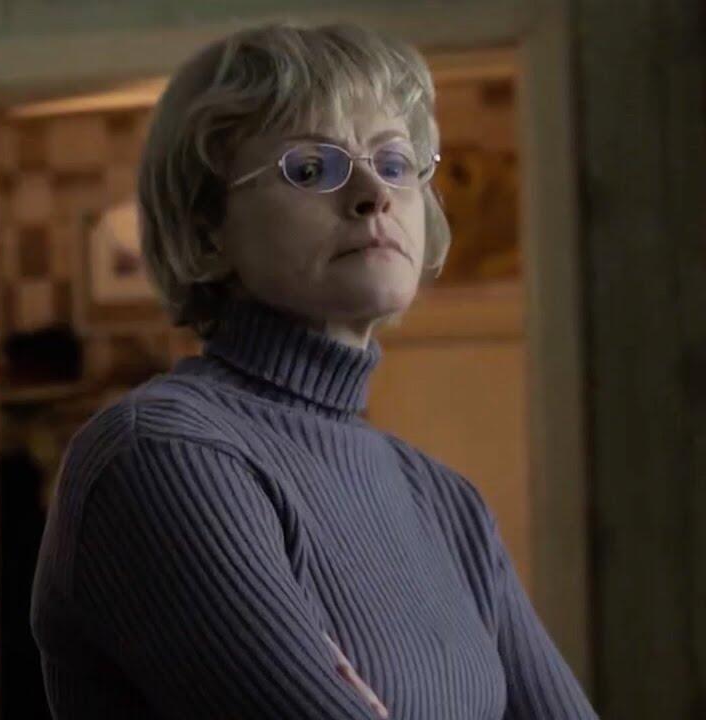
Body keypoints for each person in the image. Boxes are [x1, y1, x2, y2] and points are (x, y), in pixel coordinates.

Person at [30, 21, 598, 720]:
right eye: (309, 168)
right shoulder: (162, 454)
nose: (373, 193)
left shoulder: (447, 503)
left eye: (394, 163)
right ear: (208, 230)